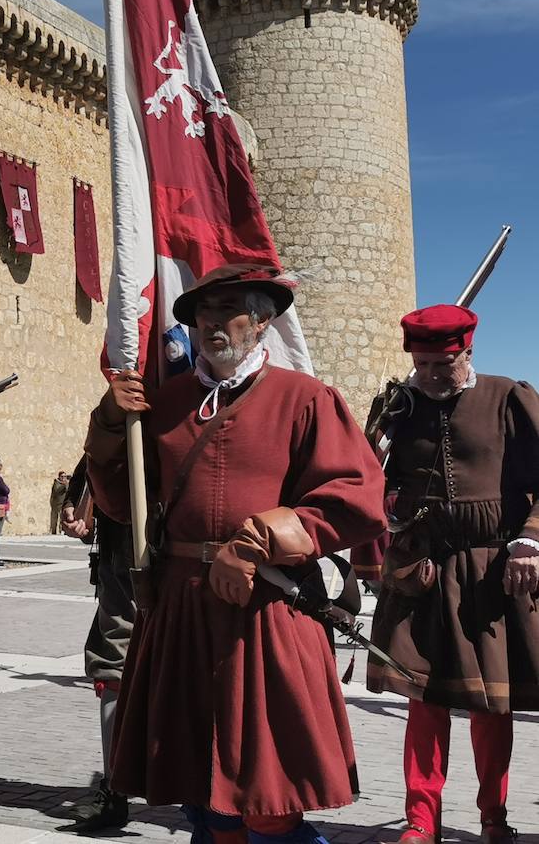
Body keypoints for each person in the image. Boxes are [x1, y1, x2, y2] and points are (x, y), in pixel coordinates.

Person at [84, 264, 387, 844]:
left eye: (228, 312)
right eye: (203, 313)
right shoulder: (167, 403)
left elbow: (357, 496)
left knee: (268, 792)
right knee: (203, 788)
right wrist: (108, 423)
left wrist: (258, 540)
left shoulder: (306, 398)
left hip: (267, 608)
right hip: (181, 610)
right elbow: (125, 504)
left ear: (263, 321)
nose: (212, 324)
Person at [364, 305, 539, 844]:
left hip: (492, 570)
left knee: (492, 702)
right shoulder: (401, 405)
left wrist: (530, 540)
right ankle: (421, 820)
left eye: (447, 363)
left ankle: (493, 816)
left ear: (469, 353)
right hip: (422, 569)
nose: (436, 375)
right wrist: (376, 436)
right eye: (424, 365)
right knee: (425, 699)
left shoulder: (509, 397)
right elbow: (364, 473)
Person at [60, 455, 134, 830]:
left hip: (183, 560)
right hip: (120, 559)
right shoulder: (115, 413)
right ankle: (114, 789)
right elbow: (94, 458)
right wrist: (75, 503)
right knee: (111, 666)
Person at [49, 470, 70, 534]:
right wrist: (64, 485)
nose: (63, 478)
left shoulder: (66, 483)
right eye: (62, 476)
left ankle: (62, 530)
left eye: (65, 476)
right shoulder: (57, 483)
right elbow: (57, 490)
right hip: (56, 503)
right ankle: (53, 531)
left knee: (63, 518)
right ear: (59, 477)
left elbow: (68, 490)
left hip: (64, 503)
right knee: (54, 518)